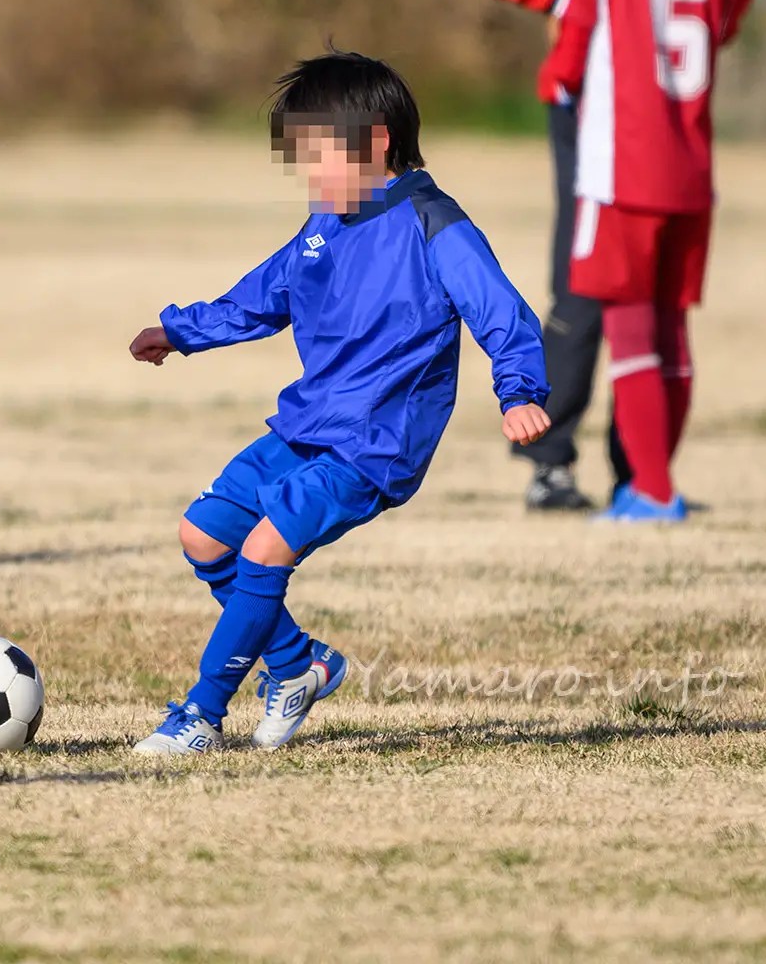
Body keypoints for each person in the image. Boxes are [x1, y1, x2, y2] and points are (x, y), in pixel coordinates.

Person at [126, 52, 551, 754]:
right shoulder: (326, 222)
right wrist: (180, 332)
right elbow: (265, 295)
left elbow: (499, 311)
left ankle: (200, 714)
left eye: (318, 154)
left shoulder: (434, 223)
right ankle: (299, 665)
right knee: (203, 535)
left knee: (264, 549)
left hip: (374, 445)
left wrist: (519, 392)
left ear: (376, 141)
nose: (310, 174)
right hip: (308, 425)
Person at [441, 0, 761, 513]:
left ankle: (641, 475)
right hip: (595, 113)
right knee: (584, 291)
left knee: (651, 306)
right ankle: (555, 461)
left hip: (661, 121)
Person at [537, 0, 737, 523]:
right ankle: (654, 479)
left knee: (627, 328)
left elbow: (564, 62)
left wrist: (558, 83)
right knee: (672, 328)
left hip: (621, 171)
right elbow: (719, 29)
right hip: (691, 172)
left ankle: (651, 489)